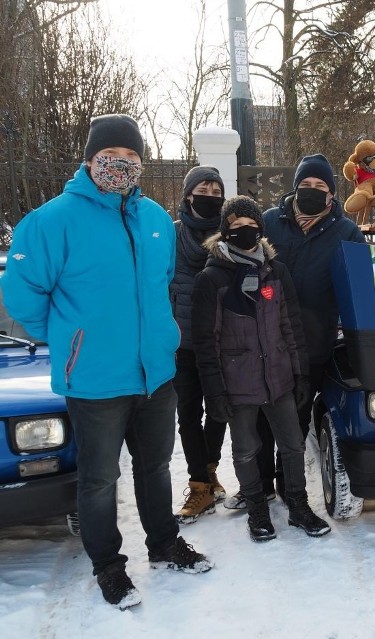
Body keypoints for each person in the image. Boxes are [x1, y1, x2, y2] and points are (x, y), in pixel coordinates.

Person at [1, 114, 212, 610]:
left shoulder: (157, 220)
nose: (122, 166)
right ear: (91, 160)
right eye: (111, 158)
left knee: (156, 467)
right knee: (99, 480)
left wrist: (164, 336)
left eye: (132, 159)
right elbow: (23, 293)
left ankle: (162, 543)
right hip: (95, 379)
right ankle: (109, 567)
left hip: (155, 373)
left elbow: (159, 286)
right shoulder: (53, 220)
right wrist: (70, 338)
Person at [192, 195, 331, 540]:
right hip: (238, 382)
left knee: (293, 445)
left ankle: (298, 505)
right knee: (245, 449)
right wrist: (214, 390)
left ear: (261, 229)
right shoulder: (212, 278)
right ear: (225, 231)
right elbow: (206, 342)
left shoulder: (275, 270)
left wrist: (299, 373)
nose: (245, 231)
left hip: (279, 377)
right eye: (236, 226)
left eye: (251, 225)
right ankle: (256, 507)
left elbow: (291, 326)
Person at [259, 153, 366, 498]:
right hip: (267, 340)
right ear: (294, 187)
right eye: (306, 184)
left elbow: (360, 285)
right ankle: (260, 486)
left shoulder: (346, 230)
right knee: (262, 416)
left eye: (320, 185)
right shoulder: (270, 222)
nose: (312, 190)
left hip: (314, 338)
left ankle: (287, 481)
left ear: (332, 194)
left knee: (297, 416)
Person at [171, 165, 229, 524]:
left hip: (221, 341)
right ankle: (199, 485)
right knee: (188, 415)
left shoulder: (229, 235)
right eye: (202, 189)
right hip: (181, 342)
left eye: (215, 190)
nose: (209, 196)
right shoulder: (171, 235)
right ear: (188, 194)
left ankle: (210, 469)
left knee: (219, 411)